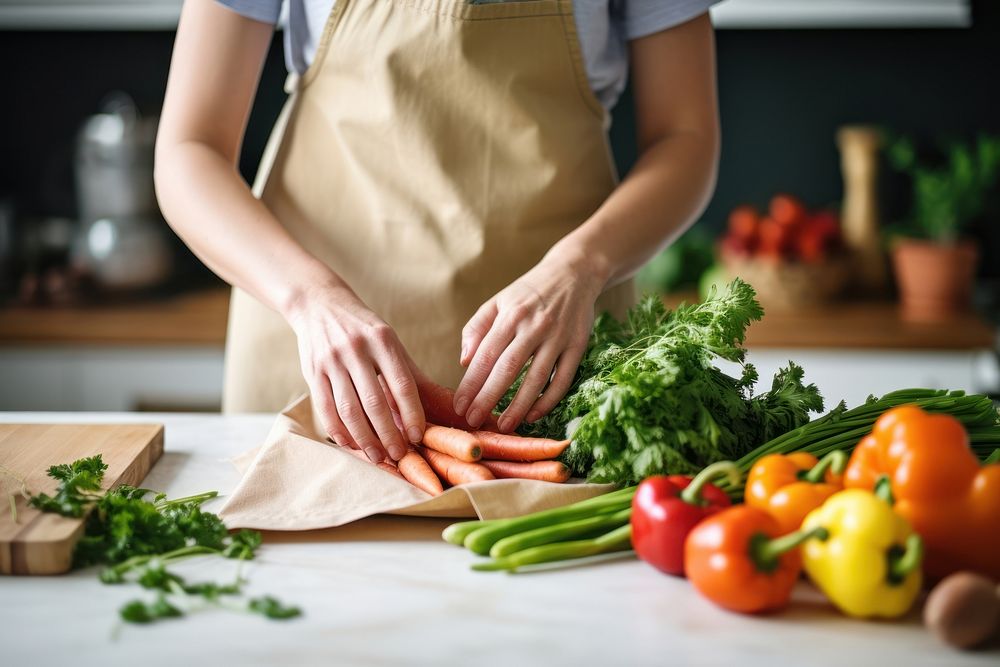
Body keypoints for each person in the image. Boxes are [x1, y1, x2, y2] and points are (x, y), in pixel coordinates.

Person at [155, 0, 720, 465]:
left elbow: (685, 137)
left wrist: (581, 265)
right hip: (316, 343)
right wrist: (311, 301)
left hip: (558, 345)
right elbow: (189, 151)